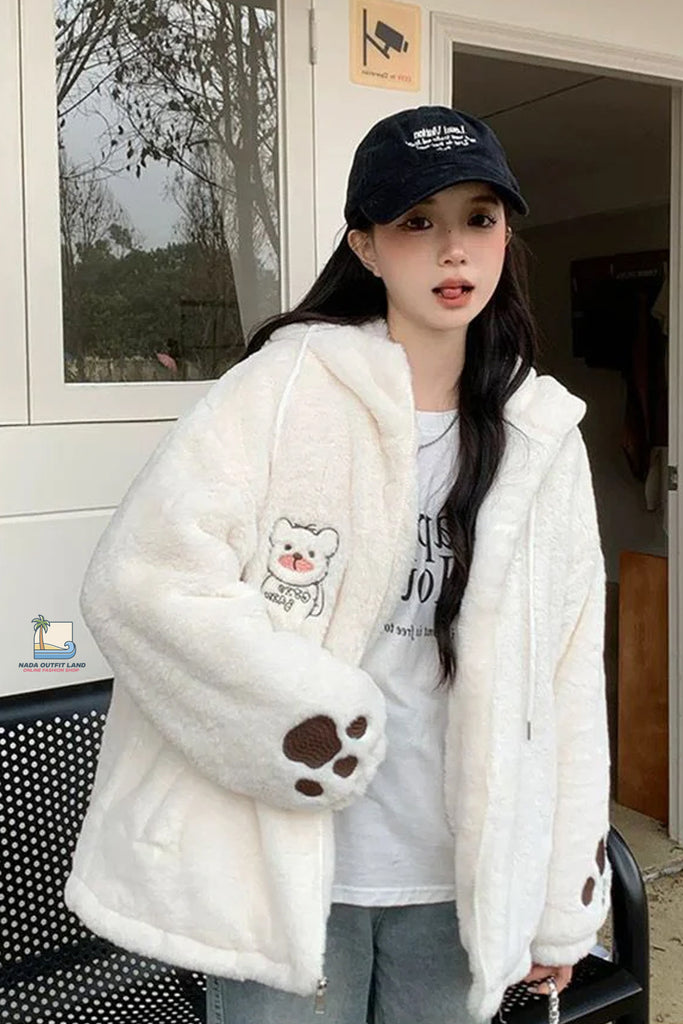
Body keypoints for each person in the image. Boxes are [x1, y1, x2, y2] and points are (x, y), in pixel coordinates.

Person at [64, 106, 612, 1024]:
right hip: (285, 869)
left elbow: (565, 678)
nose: (453, 250)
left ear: (504, 237)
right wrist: (308, 721)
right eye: (417, 221)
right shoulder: (279, 394)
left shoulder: (540, 434)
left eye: (478, 218)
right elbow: (143, 583)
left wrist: (562, 904)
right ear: (365, 246)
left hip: (459, 879)